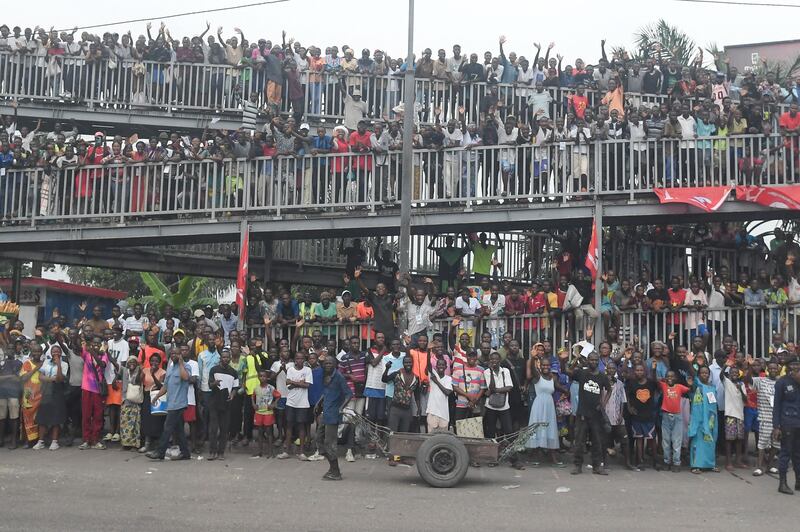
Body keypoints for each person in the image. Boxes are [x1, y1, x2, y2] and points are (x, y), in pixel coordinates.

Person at [565, 351, 609, 475]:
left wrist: (603, 403)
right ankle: (577, 465)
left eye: (596, 360)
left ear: (598, 361)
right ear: (587, 360)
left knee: (597, 441)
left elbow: (609, 389)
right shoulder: (582, 373)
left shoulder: (602, 376)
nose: (593, 362)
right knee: (579, 441)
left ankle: (597, 466)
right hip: (582, 413)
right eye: (591, 360)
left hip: (596, 414)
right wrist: (575, 360)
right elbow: (568, 371)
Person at [146, 347, 192, 461]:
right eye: (172, 354)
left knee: (167, 427)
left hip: (179, 403)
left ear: (180, 355)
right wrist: (157, 396)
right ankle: (186, 453)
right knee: (179, 429)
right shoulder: (170, 368)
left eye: (176, 354)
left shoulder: (186, 366)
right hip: (170, 403)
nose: (173, 356)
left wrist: (181, 363)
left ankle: (160, 452)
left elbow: (185, 377)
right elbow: (165, 386)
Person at [315, 356, 352, 480]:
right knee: (318, 439)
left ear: (335, 364)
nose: (328, 365)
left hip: (333, 414)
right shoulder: (326, 376)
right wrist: (319, 402)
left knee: (330, 443)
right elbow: (327, 392)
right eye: (326, 363)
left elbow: (349, 394)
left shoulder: (339, 377)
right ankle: (332, 467)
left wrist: (341, 408)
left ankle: (335, 471)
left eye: (330, 363)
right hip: (326, 412)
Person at [526, 354, 562, 465]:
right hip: (539, 405)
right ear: (540, 366)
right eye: (543, 365)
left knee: (550, 428)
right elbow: (532, 368)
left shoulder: (553, 378)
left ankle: (553, 458)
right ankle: (535, 457)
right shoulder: (538, 376)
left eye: (548, 365)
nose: (546, 367)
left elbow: (558, 387)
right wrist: (532, 358)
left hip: (549, 405)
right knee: (537, 428)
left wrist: (567, 392)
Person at [277, 351, 312, 460]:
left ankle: (301, 452)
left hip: (303, 403)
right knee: (289, 426)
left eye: (301, 358)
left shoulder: (308, 370)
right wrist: (300, 383)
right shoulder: (291, 370)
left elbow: (307, 385)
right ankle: (286, 451)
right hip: (291, 402)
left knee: (301, 427)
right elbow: (288, 385)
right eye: (297, 358)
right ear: (295, 360)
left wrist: (294, 382)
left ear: (304, 359)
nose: (299, 360)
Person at [206, 347, 240, 461]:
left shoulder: (233, 372)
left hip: (226, 403)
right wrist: (214, 383)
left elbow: (236, 387)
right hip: (214, 402)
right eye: (223, 357)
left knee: (224, 429)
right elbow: (209, 385)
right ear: (220, 358)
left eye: (227, 357)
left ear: (230, 359)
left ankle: (221, 452)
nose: (225, 359)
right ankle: (212, 452)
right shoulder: (214, 370)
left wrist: (233, 394)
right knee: (213, 429)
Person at [773, 357, 800, 494]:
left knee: (798, 454)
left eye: (797, 364)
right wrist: (776, 426)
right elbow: (776, 405)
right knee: (786, 453)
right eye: (793, 364)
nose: (795, 367)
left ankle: (798, 481)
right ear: (788, 366)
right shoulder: (782, 382)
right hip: (787, 422)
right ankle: (782, 484)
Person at [33, 344, 68, 451]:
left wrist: (58, 365)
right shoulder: (46, 362)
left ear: (61, 353)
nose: (55, 353)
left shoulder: (64, 364)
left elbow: (60, 379)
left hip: (58, 392)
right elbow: (40, 376)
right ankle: (41, 441)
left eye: (58, 351)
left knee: (55, 418)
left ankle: (54, 441)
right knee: (43, 417)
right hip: (46, 391)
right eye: (54, 351)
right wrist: (51, 379)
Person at [627, 361, 660, 471]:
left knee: (652, 439)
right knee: (639, 439)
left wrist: (654, 370)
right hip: (636, 415)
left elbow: (657, 382)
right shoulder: (631, 383)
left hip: (649, 415)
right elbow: (627, 395)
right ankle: (640, 461)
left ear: (645, 372)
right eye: (637, 370)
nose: (639, 372)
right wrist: (629, 407)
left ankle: (655, 461)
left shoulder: (650, 383)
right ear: (634, 371)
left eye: (641, 370)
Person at [750, 359, 780, 477]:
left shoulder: (781, 382)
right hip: (765, 418)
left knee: (776, 444)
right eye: (770, 368)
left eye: (775, 368)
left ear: (778, 369)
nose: (773, 370)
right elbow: (747, 381)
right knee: (762, 444)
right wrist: (751, 366)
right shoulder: (760, 380)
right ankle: (759, 467)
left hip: (778, 418)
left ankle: (770, 466)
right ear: (767, 369)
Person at [658, 369, 692, 471]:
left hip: (677, 416)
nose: (670, 378)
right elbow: (655, 380)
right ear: (665, 378)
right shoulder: (664, 386)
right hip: (666, 416)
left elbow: (689, 389)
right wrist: (655, 368)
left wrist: (689, 384)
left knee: (677, 440)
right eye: (668, 376)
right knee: (666, 440)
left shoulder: (679, 387)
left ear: (676, 378)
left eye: (672, 376)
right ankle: (666, 461)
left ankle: (676, 462)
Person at [688, 365, 719, 474]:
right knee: (698, 442)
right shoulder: (698, 384)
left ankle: (710, 464)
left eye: (706, 373)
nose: (704, 375)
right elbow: (693, 374)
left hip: (711, 419)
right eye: (702, 373)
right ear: (699, 374)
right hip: (699, 419)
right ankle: (696, 465)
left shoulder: (712, 387)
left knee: (710, 441)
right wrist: (690, 363)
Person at [79, 337, 108, 450]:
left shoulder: (103, 354)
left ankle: (95, 439)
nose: (96, 345)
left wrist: (94, 352)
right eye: (94, 343)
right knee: (86, 415)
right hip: (86, 388)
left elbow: (102, 365)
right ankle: (86, 440)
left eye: (98, 343)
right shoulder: (86, 353)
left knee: (98, 415)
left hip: (98, 389)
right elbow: (78, 346)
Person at [722, 366, 748, 470]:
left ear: (739, 375)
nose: (734, 374)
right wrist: (725, 366)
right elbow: (721, 375)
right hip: (730, 415)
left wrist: (740, 389)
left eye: (736, 373)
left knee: (739, 439)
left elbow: (745, 399)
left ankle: (738, 461)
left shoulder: (741, 384)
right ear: (729, 374)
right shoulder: (727, 382)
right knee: (729, 439)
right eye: (732, 372)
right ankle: (728, 462)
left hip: (740, 415)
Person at [252, 370, 279, 458]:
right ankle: (260, 451)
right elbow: (253, 396)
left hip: (268, 412)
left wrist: (274, 404)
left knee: (269, 432)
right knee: (260, 432)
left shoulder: (271, 388)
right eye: (260, 376)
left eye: (264, 376)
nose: (262, 378)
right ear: (258, 377)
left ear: (267, 377)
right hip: (258, 412)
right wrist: (253, 404)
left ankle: (270, 452)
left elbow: (278, 396)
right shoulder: (256, 388)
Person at [0, 346, 23, 449]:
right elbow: (13, 377)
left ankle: (14, 440)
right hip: (2, 393)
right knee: (1, 417)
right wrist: (10, 377)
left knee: (14, 417)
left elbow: (19, 379)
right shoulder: (1, 364)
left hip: (14, 393)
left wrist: (4, 378)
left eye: (11, 348)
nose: (10, 350)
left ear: (14, 351)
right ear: (5, 351)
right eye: (8, 348)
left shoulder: (19, 363)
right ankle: (1, 439)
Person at [120, 357, 143, 451]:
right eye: (130, 362)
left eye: (134, 362)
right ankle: (126, 444)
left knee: (135, 424)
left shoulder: (140, 372)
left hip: (136, 401)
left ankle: (135, 444)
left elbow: (138, 381)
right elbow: (115, 364)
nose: (132, 363)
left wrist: (140, 368)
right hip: (125, 400)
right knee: (125, 423)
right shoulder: (125, 371)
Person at [426, 357, 453, 432]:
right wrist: (428, 351)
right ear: (436, 366)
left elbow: (447, 392)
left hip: (444, 414)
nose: (441, 366)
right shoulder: (433, 375)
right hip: (432, 411)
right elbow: (428, 365)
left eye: (443, 365)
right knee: (431, 437)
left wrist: (436, 382)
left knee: (442, 438)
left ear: (446, 367)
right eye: (439, 365)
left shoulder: (448, 379)